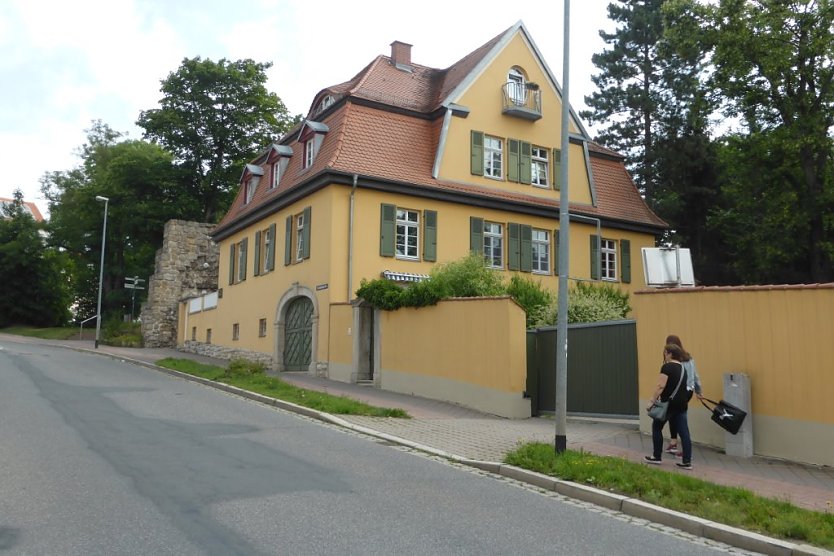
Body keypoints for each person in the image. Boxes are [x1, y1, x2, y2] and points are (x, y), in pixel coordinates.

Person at [645, 343, 693, 469]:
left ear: (670, 354)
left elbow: (660, 386)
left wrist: (651, 401)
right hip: (682, 405)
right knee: (684, 433)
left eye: (665, 353)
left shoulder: (667, 367)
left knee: (656, 427)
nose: (664, 355)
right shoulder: (683, 369)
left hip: (668, 405)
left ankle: (656, 457)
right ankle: (687, 461)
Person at [664, 334, 703, 457]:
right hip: (689, 391)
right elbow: (695, 376)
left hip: (679, 392)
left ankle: (684, 450)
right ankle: (674, 442)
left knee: (679, 418)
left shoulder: (676, 361)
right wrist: (698, 391)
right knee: (675, 416)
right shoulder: (689, 357)